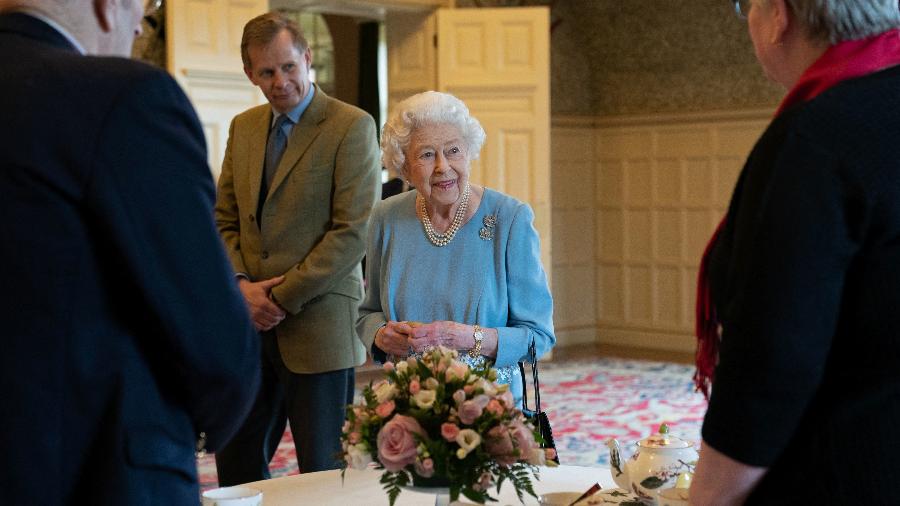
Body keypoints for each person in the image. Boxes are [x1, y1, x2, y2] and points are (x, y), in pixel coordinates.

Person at [0, 1, 261, 504]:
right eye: (143, 5)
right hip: (89, 473)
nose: (141, 24)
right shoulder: (121, 97)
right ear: (108, 4)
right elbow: (217, 344)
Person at [690, 1, 900, 503]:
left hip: (847, 473)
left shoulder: (817, 135)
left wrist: (708, 498)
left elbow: (773, 360)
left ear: (780, 15)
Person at [213, 11, 381, 483]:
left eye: (288, 66)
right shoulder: (243, 127)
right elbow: (223, 218)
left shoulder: (351, 125)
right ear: (250, 73)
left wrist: (279, 300)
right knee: (237, 466)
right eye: (266, 72)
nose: (280, 81)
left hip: (319, 324)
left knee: (324, 473)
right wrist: (242, 287)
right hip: (247, 327)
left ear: (307, 59)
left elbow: (353, 230)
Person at [357, 91, 556, 403]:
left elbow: (538, 338)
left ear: (469, 153)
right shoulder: (386, 217)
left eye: (453, 151)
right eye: (426, 155)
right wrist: (381, 336)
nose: (442, 166)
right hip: (408, 404)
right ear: (404, 167)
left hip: (489, 408)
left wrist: (466, 338)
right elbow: (368, 313)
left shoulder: (509, 219)